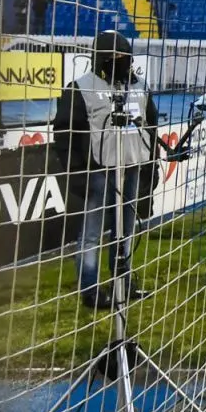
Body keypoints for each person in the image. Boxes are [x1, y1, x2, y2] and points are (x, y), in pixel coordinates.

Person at [52, 29, 163, 310]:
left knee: (125, 230)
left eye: (124, 56)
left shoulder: (140, 87)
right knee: (91, 234)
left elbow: (151, 126)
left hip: (133, 168)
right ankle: (91, 291)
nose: (120, 61)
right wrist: (76, 172)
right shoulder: (80, 88)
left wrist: (151, 166)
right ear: (100, 58)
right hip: (98, 172)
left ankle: (123, 283)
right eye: (114, 56)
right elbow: (64, 133)